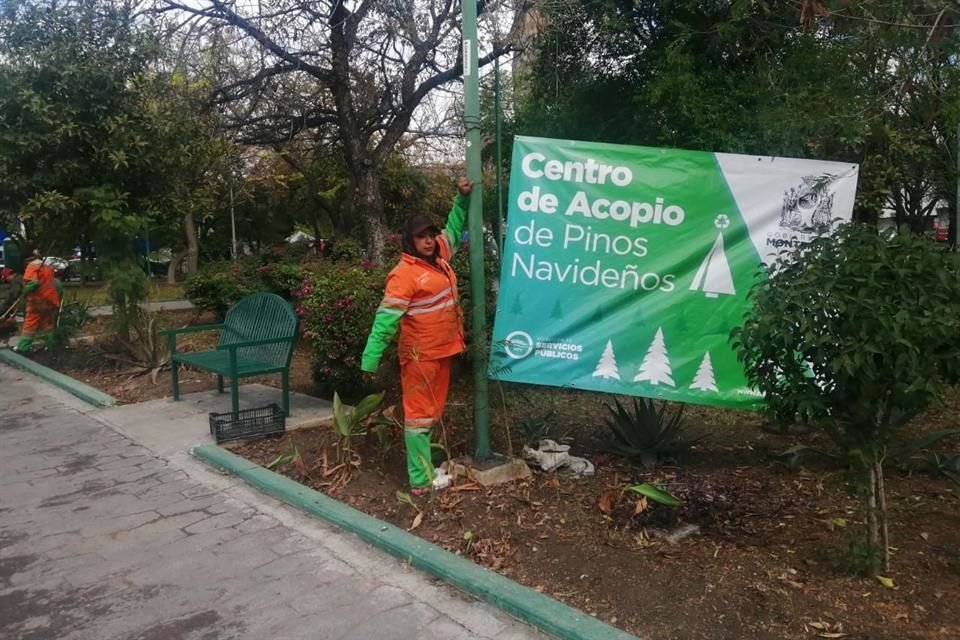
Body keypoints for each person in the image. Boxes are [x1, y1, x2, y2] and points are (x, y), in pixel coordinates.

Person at [361, 177, 472, 493]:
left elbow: (453, 226)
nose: (428, 239)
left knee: (430, 414)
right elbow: (385, 319)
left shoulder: (440, 258)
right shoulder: (404, 275)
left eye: (430, 234)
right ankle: (420, 480)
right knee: (419, 416)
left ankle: (424, 470)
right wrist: (370, 358)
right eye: (421, 236)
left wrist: (461, 198)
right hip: (420, 356)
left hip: (443, 351)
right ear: (409, 241)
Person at [14, 250, 61, 352]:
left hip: (37, 301)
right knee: (48, 324)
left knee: (30, 325)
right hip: (50, 301)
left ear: (26, 260)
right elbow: (54, 282)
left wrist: (24, 291)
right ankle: (51, 346)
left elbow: (33, 283)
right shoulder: (46, 267)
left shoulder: (32, 266)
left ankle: (23, 348)